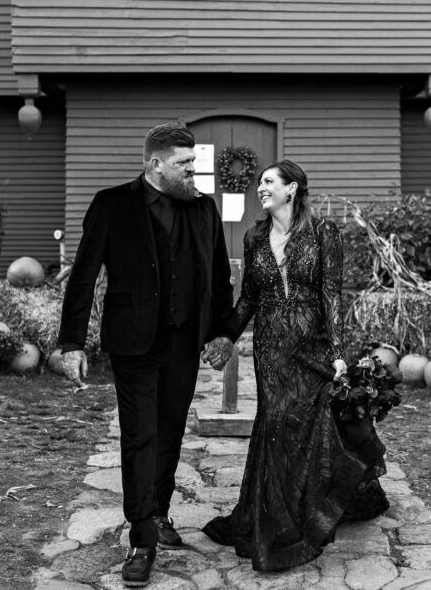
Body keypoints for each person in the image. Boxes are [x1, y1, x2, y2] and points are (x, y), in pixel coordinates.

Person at [57, 123, 235, 588]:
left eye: (193, 163)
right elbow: (83, 274)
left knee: (172, 431)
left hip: (183, 343)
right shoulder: (112, 204)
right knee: (140, 435)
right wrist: (73, 342)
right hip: (133, 342)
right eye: (184, 164)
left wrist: (221, 333)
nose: (192, 171)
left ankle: (158, 511)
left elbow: (218, 277)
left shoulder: (203, 209)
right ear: (155, 164)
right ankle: (141, 538)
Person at [200, 159, 390, 571]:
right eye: (259, 183)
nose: (261, 188)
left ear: (293, 189)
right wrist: (225, 336)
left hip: (314, 345)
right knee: (277, 425)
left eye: (269, 182)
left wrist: (338, 352)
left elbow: (331, 297)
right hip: (272, 348)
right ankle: (281, 522)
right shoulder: (254, 237)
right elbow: (248, 297)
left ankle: (323, 503)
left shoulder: (323, 234)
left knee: (312, 424)